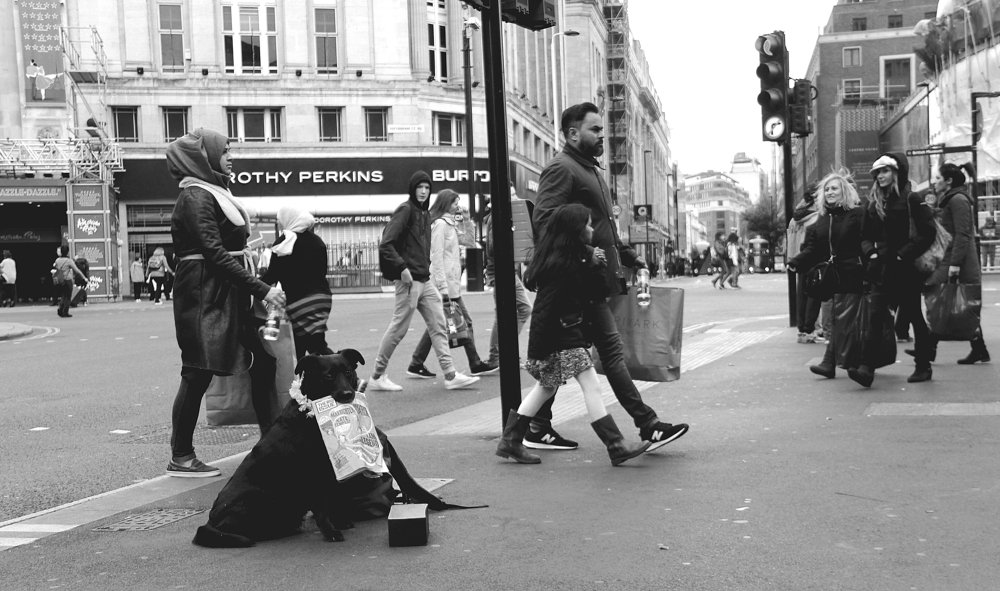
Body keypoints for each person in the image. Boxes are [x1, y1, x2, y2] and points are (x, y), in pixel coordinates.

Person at [532, 102, 689, 450]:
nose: (602, 135)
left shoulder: (589, 170)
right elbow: (544, 223)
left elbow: (605, 230)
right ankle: (647, 425)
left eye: (602, 129)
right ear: (573, 134)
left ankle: (533, 427)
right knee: (610, 353)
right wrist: (586, 253)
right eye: (595, 129)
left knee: (563, 360)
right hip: (580, 281)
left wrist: (631, 257)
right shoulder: (562, 169)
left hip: (594, 278)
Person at [165, 128, 287, 477]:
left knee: (263, 360)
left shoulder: (212, 192)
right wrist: (262, 289)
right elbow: (215, 254)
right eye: (225, 151)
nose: (230, 157)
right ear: (205, 158)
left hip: (225, 294)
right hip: (203, 295)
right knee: (196, 373)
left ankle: (272, 443)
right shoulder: (195, 196)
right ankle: (181, 456)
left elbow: (224, 253)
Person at [496, 204, 651, 466]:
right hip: (561, 336)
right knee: (591, 385)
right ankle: (615, 444)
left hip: (557, 335)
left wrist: (592, 261)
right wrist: (591, 261)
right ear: (575, 230)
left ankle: (511, 440)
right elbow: (555, 305)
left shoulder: (569, 258)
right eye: (587, 224)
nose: (591, 229)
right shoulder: (565, 263)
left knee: (546, 388)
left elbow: (591, 291)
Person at [368, 171, 479, 392]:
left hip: (424, 280)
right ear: (413, 188)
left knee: (439, 324)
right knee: (399, 329)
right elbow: (386, 244)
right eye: (419, 187)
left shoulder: (425, 214)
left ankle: (450, 375)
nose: (423, 191)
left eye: (427, 188)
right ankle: (377, 375)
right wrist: (402, 269)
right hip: (409, 281)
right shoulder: (406, 210)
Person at [850, 153, 935, 387]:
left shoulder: (912, 199)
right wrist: (871, 253)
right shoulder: (873, 203)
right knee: (875, 317)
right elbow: (864, 236)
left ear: (897, 172)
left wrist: (902, 254)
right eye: (877, 172)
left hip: (906, 270)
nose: (880, 176)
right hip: (881, 269)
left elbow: (928, 233)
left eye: (885, 171)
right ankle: (866, 368)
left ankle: (923, 366)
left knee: (914, 317)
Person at [408, 189, 497, 378]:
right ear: (446, 203)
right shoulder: (440, 225)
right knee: (463, 321)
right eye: (455, 203)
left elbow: (469, 242)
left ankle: (416, 362)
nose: (458, 206)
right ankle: (475, 363)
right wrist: (442, 286)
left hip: (452, 284)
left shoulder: (450, 224)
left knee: (437, 324)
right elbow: (436, 257)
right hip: (445, 285)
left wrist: (466, 219)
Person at [787, 171, 865, 379]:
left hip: (854, 274)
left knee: (846, 321)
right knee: (836, 321)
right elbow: (813, 248)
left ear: (844, 191)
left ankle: (848, 364)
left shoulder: (857, 214)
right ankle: (831, 363)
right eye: (827, 189)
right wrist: (795, 262)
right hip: (832, 278)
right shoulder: (822, 218)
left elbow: (866, 242)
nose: (829, 192)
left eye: (834, 188)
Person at [923, 162, 990, 364]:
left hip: (959, 261)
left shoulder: (958, 199)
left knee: (940, 295)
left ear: (949, 181)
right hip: (952, 259)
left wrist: (955, 265)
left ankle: (929, 348)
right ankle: (978, 349)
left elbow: (963, 234)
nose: (934, 182)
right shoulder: (950, 199)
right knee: (955, 302)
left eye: (938, 178)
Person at [260, 205, 333, 360]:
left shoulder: (284, 242)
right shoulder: (317, 241)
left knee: (308, 346)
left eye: (280, 220)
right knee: (311, 343)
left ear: (288, 220)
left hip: (299, 301)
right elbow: (322, 271)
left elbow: (272, 275)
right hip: (322, 298)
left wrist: (252, 285)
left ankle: (344, 371)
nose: (279, 223)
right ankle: (313, 375)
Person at [787, 184, 822, 343]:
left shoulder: (795, 218)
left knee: (801, 295)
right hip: (813, 258)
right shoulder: (817, 217)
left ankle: (802, 330)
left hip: (798, 259)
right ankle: (810, 329)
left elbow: (790, 240)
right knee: (814, 296)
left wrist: (792, 259)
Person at [52, 245, 87, 318]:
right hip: (67, 280)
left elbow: (56, 267)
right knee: (68, 296)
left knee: (63, 295)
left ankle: (60, 309)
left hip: (60, 280)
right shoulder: (69, 261)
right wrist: (84, 277)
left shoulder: (57, 260)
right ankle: (65, 312)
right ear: (67, 252)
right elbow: (77, 270)